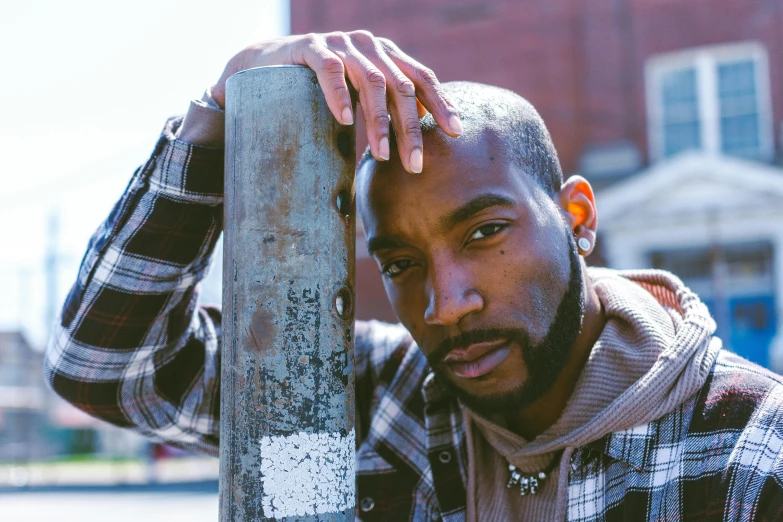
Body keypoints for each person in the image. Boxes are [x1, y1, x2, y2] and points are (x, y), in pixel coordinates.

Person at [45, 31, 783, 521]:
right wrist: (217, 111)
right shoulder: (377, 395)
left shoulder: (747, 452)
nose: (445, 302)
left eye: (485, 232)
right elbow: (107, 368)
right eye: (398, 263)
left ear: (577, 218)